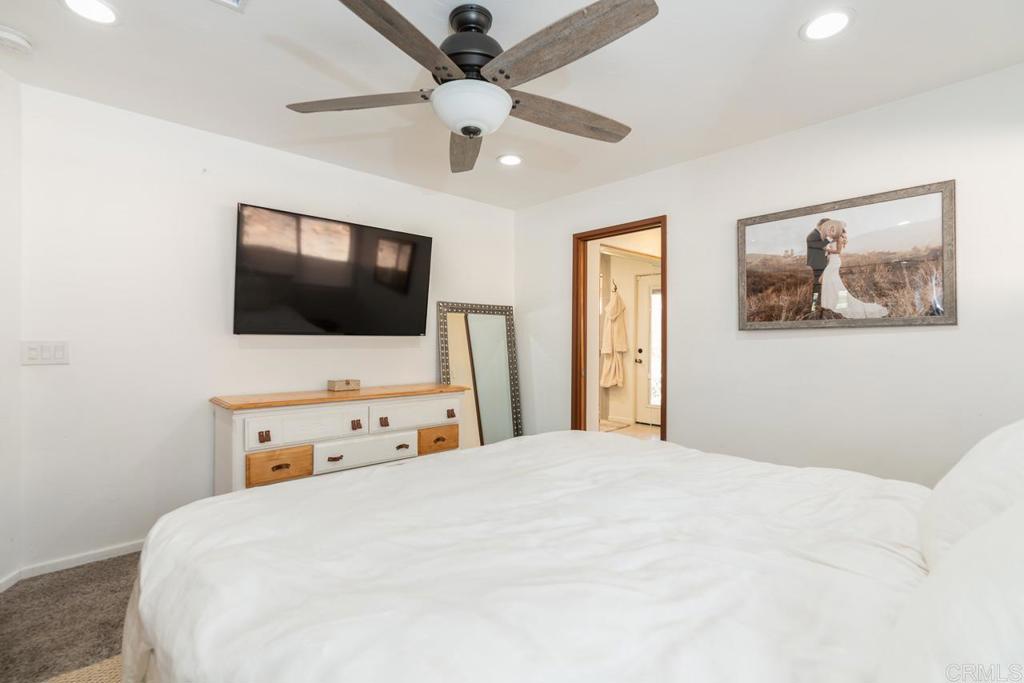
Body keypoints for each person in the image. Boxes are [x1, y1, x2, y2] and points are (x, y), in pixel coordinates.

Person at [820, 230, 889, 319]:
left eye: (833, 230)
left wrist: (827, 249)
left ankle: (834, 303)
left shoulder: (839, 239)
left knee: (832, 282)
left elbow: (838, 251)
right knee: (831, 282)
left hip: (835, 262)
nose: (831, 232)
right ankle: (831, 302)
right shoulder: (832, 241)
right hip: (831, 262)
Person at [806, 218, 843, 317]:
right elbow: (821, 245)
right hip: (818, 264)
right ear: (822, 225)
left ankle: (825, 305)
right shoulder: (812, 235)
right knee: (817, 285)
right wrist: (830, 239)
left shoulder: (821, 234)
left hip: (827, 262)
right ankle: (815, 307)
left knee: (830, 283)